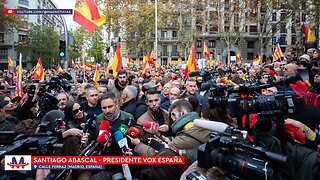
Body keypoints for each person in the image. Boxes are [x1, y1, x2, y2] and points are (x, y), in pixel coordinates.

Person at [129, 99, 211, 164]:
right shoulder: (199, 125)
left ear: (182, 113)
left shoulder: (182, 139)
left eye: (174, 115)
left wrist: (138, 144)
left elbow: (158, 156)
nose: (173, 119)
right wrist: (161, 137)